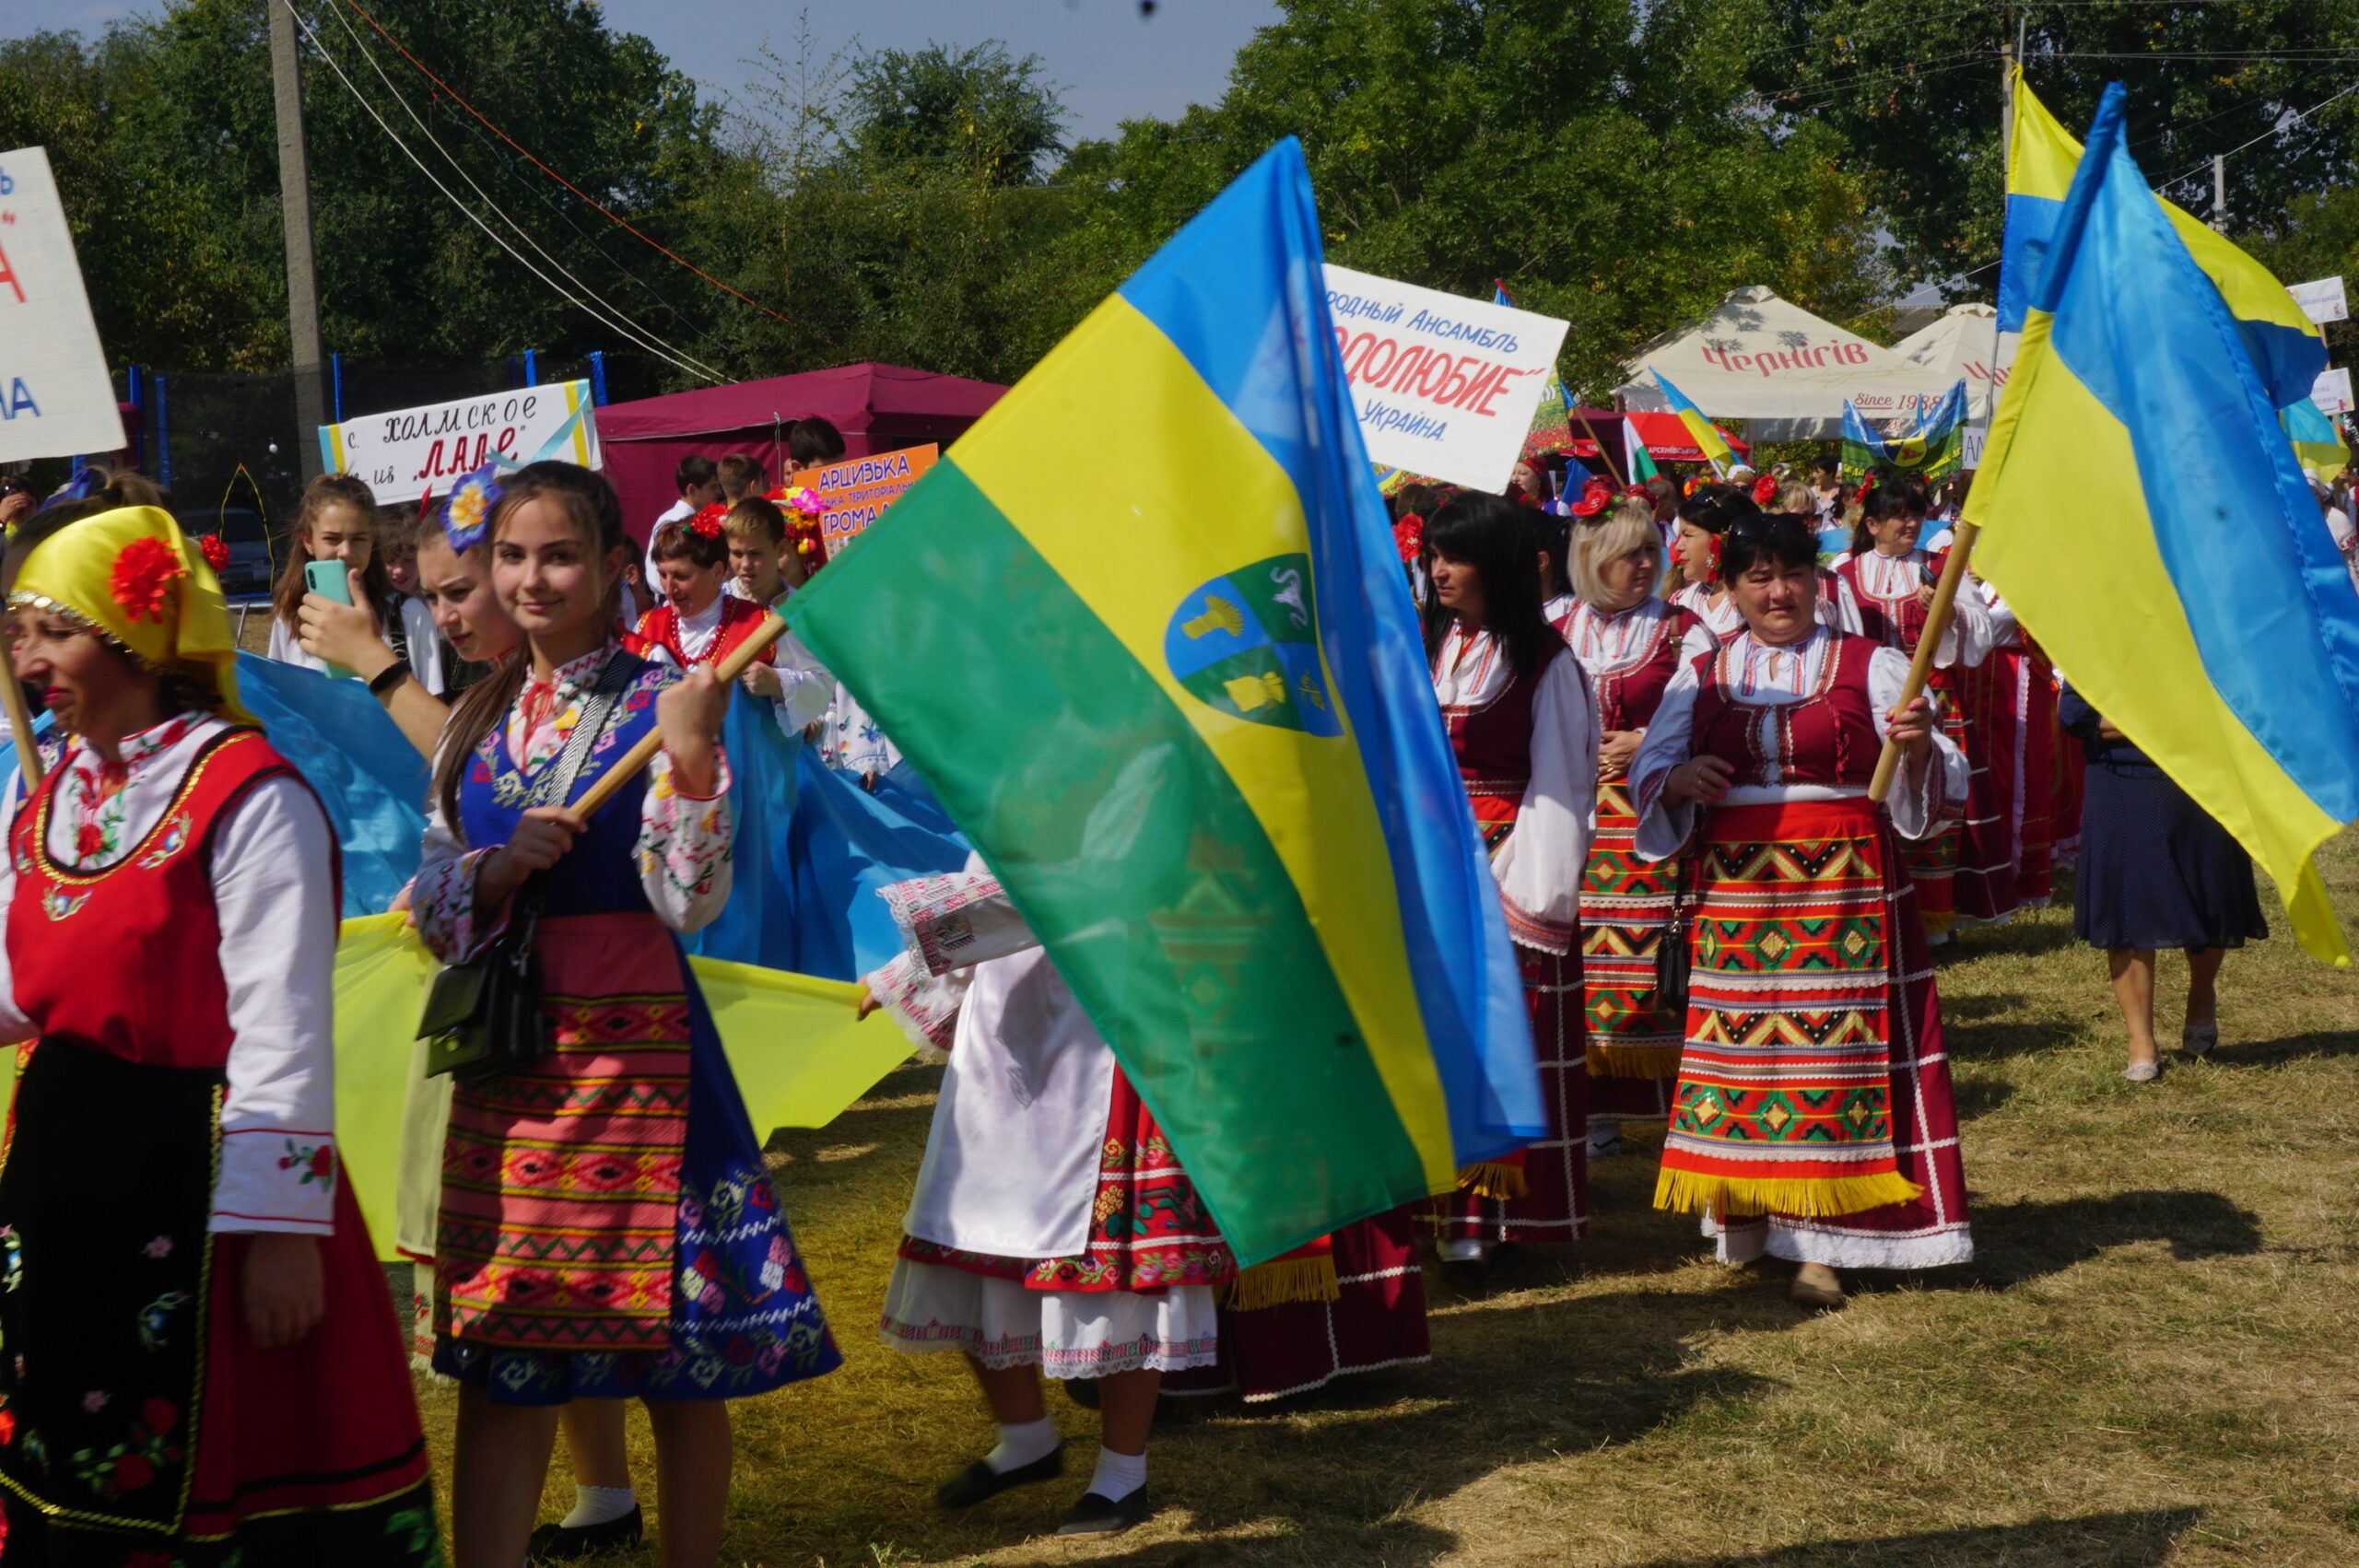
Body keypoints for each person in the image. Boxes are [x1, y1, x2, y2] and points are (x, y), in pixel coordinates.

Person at [413, 461, 839, 1568]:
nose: (531, 579)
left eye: (558, 555)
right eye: (511, 557)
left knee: (676, 1356)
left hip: (640, 1054)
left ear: (613, 566)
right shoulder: (477, 718)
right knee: (505, 1347)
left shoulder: (665, 697)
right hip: (512, 1060)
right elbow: (431, 898)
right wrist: (494, 876)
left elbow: (689, 899)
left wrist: (693, 755)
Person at [0, 500, 437, 1563]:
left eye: (50, 630)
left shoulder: (249, 795)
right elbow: (20, 984)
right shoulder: (56, 785)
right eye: (19, 630)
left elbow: (283, 1027)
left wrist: (282, 1237)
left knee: (214, 1470)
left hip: (201, 1181)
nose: (25, 655)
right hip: (66, 1161)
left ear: (132, 638)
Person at [1630, 511, 1973, 1308]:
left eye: (1792, 574)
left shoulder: (1873, 662)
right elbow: (1650, 771)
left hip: (1846, 890)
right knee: (1749, 1063)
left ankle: (1823, 1244)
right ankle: (1752, 1217)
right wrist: (1679, 783)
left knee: (1836, 1060)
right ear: (1731, 589)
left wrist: (1918, 743)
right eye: (1758, 577)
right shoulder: (1703, 674)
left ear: (1817, 581)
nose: (1778, 591)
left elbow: (1944, 776)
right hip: (1738, 895)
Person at [863, 865, 1234, 1536]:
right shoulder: (1010, 769)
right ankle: (1026, 1436)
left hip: (1105, 1017)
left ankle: (1123, 1475)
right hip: (1004, 1025)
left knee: (1111, 1269)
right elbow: (994, 871)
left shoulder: (1125, 766)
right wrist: (909, 972)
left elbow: (1078, 877)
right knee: (964, 1228)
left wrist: (912, 962)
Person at [1421, 490, 1599, 1276]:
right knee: (1434, 1041)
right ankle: (1435, 1210)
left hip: (1506, 865)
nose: (1439, 571)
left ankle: (1499, 1224)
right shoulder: (1428, 646)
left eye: (1453, 557)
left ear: (1494, 563)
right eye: (1434, 556)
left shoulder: (1548, 662)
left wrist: (1534, 898)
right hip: (1426, 864)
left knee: (1503, 1040)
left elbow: (1564, 783)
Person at [1561, 497, 1714, 1156]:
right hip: (1569, 818)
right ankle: (1592, 1109)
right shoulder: (1552, 626)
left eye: (1653, 550)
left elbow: (1712, 714)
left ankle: (1677, 1100)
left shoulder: (1686, 630)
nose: (1649, 564)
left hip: (1651, 819)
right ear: (1593, 560)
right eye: (1632, 553)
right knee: (1581, 960)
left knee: (1655, 959)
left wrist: (1645, 741)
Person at [2060, 685, 2267, 1082]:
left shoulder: (2206, 629)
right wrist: (2163, 720)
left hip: (2205, 773)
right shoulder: (2098, 637)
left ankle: (2202, 993)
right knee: (2127, 910)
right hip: (2122, 781)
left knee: (2211, 897)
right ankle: (2141, 1042)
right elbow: (2077, 718)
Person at [1831, 480, 1994, 942]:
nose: (1910, 523)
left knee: (1934, 799)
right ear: (1872, 524)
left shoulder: (1940, 569)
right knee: (1873, 802)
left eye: (1916, 515)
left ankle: (1933, 919)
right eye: (1899, 515)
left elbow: (1978, 633)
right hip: (1868, 703)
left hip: (1932, 702)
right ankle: (1876, 905)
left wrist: (1945, 613)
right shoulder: (1845, 571)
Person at [269, 473, 444, 695]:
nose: (346, 552)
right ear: (308, 541)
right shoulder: (290, 617)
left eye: (358, 539)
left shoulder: (411, 614)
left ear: (373, 540)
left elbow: (432, 702)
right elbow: (280, 700)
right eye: (332, 539)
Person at [720, 496, 834, 735]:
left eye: (755, 553)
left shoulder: (800, 611)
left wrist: (776, 682)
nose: (745, 564)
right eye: (737, 554)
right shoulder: (718, 603)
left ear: (781, 549)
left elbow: (824, 685)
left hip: (783, 748)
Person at [633, 514, 775, 670]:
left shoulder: (762, 625)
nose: (668, 589)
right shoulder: (646, 628)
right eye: (663, 575)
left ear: (717, 572)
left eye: (681, 576)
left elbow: (805, 679)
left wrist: (774, 681)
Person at [643, 455, 723, 602]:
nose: (718, 492)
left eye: (718, 486)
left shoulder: (703, 518)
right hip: (674, 601)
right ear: (692, 490)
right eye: (712, 487)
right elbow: (658, 575)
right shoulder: (672, 522)